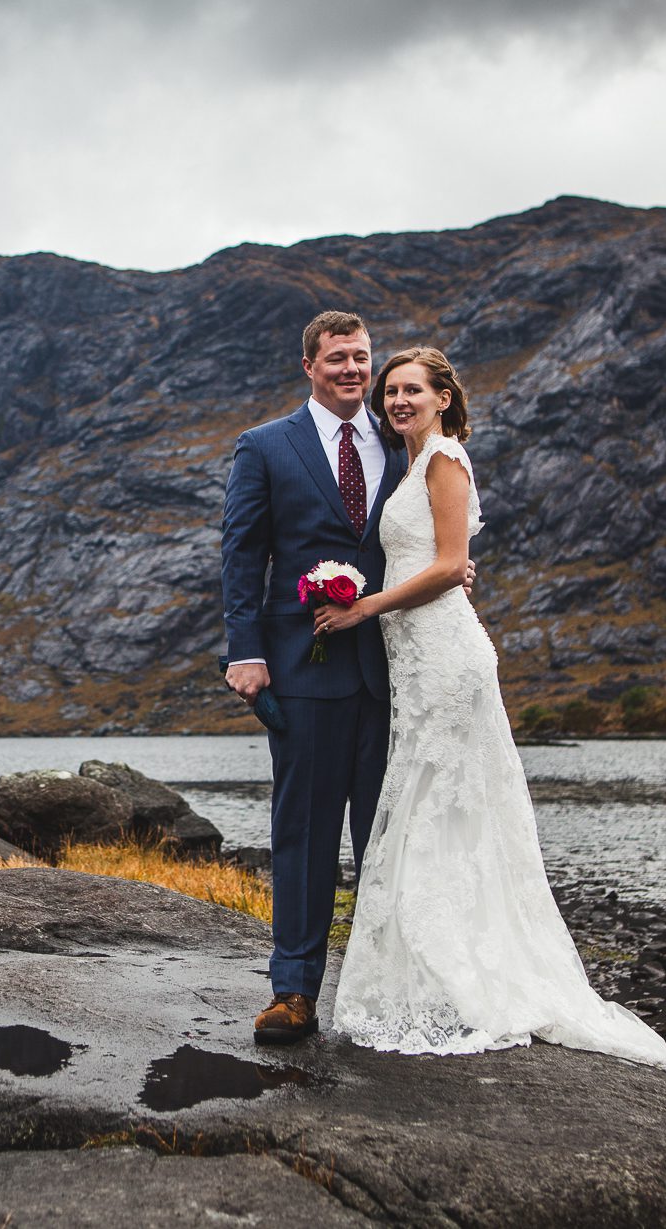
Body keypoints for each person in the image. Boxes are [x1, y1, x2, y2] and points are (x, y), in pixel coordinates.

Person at [313, 347, 666, 1072]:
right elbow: (441, 560)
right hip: (417, 658)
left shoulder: (445, 458)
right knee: (438, 807)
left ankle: (466, 975)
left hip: (446, 659)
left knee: (439, 804)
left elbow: (451, 565)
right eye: (391, 392)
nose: (397, 401)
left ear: (444, 397)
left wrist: (365, 608)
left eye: (412, 390)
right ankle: (438, 967)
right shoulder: (412, 465)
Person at [220, 311, 407, 1045]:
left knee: (389, 839)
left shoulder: (399, 443)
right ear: (310, 364)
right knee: (303, 834)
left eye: (362, 357)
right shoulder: (266, 446)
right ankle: (294, 991)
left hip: (393, 672)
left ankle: (385, 989)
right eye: (338, 358)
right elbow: (243, 554)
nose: (354, 370)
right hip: (303, 671)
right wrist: (246, 651)